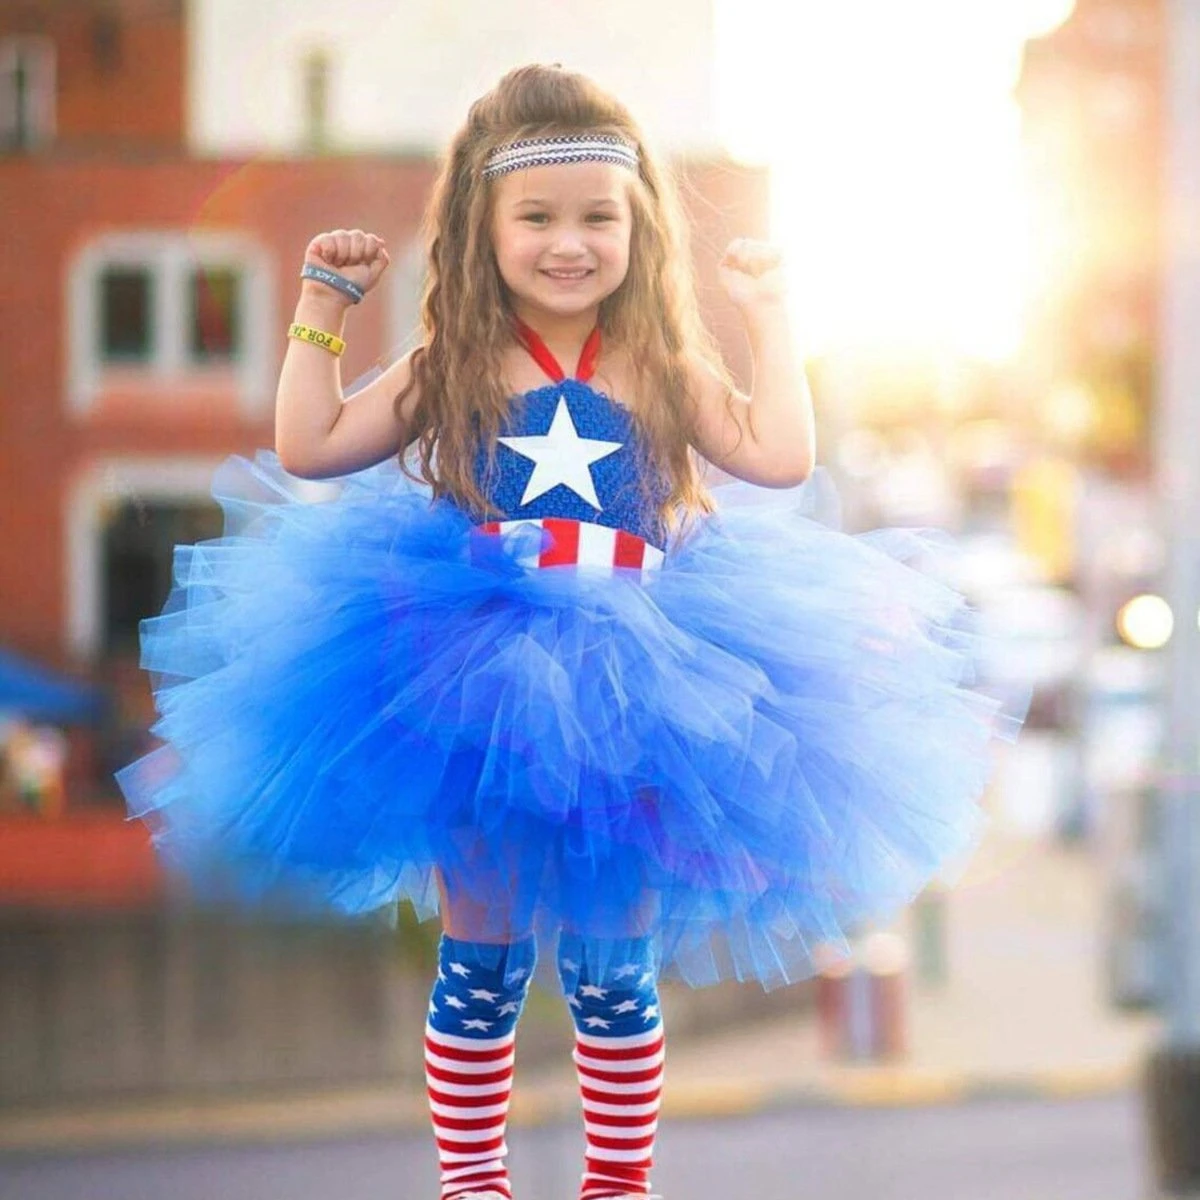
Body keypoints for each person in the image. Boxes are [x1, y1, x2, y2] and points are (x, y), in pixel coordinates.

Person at [116, 63, 1024, 1200]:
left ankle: (618, 1183)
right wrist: (320, 311)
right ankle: (472, 1180)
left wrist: (774, 317)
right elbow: (310, 445)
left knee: (612, 964)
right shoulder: (453, 365)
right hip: (477, 670)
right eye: (537, 217)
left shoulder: (656, 366)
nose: (570, 242)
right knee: (482, 951)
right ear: (479, 228)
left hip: (646, 679)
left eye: (600, 217)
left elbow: (780, 458)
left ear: (640, 225)